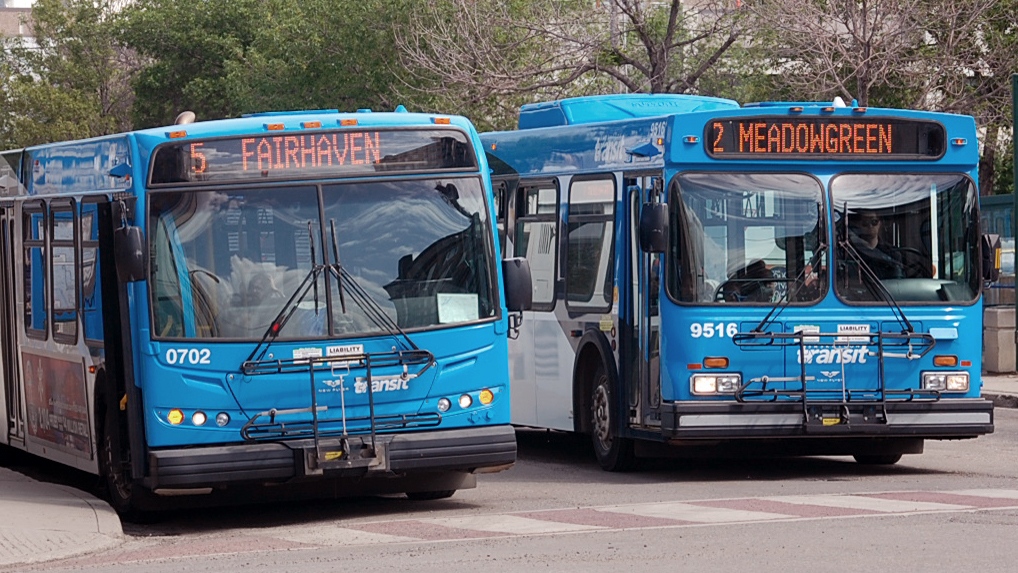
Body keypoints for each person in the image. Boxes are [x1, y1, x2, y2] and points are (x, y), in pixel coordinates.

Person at [846, 210, 903, 279]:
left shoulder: (892, 254)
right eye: (865, 223)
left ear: (880, 223)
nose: (870, 226)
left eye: (874, 222)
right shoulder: (850, 253)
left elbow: (897, 284)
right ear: (858, 225)